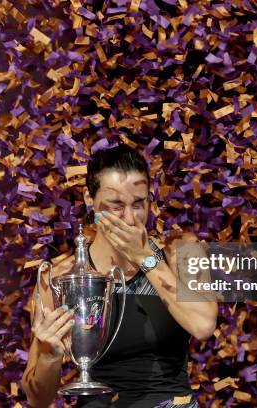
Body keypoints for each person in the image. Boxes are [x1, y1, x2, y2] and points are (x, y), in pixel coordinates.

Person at [21, 144, 218, 407]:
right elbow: (37, 399)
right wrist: (49, 356)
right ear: (89, 199)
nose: (129, 218)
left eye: (139, 204)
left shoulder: (182, 251)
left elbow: (203, 325)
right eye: (115, 206)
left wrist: (146, 258)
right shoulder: (60, 277)